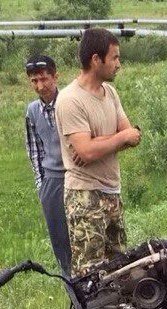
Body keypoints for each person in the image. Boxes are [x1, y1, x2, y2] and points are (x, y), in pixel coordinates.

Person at [55, 28, 141, 274]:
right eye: (114, 57)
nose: (118, 64)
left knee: (120, 269)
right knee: (90, 274)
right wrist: (117, 138)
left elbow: (132, 136)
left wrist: (101, 141)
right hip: (85, 196)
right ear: (96, 60)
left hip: (112, 191)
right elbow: (86, 152)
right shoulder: (71, 100)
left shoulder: (110, 93)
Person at [24, 53, 72, 277]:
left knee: (83, 237)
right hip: (51, 181)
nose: (40, 86)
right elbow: (35, 149)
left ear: (55, 76)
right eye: (34, 81)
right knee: (60, 243)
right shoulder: (32, 110)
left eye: (44, 79)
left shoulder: (69, 102)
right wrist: (41, 184)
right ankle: (71, 290)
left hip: (76, 175)